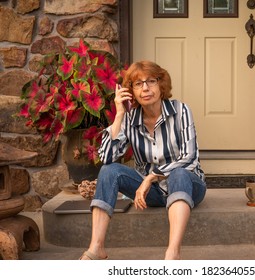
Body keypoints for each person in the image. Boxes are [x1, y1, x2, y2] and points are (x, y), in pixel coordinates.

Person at [79, 60, 206, 260]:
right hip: (150, 194)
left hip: (187, 185)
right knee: (109, 171)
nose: (145, 88)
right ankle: (96, 248)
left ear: (161, 85)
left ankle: (173, 254)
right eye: (138, 84)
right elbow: (107, 158)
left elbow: (189, 157)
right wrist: (119, 115)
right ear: (131, 91)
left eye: (151, 81)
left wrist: (151, 177)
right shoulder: (130, 118)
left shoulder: (181, 111)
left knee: (179, 173)